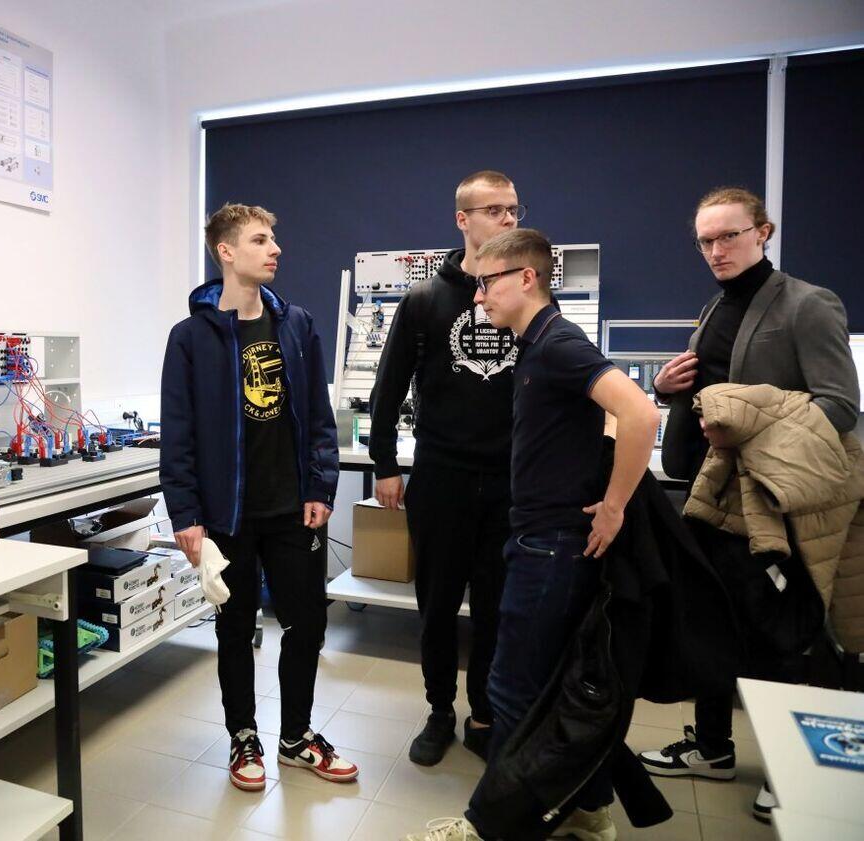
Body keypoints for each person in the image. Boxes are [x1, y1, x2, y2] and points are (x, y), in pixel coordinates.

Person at [405, 229, 661, 841]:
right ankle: (588, 811)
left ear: (526, 278)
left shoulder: (556, 344)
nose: (478, 298)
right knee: (555, 685)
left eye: (487, 284)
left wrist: (615, 506)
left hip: (549, 546)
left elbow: (640, 412)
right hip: (547, 540)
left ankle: (491, 828)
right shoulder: (539, 344)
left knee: (512, 690)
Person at [640, 187, 859, 822]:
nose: (716, 250)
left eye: (729, 236)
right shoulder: (716, 305)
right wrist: (665, 388)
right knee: (710, 626)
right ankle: (712, 748)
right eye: (706, 241)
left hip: (767, 503)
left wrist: (754, 430)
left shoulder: (808, 304)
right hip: (709, 494)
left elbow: (840, 405)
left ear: (763, 232)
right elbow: (712, 390)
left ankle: (788, 772)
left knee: (778, 638)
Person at [160, 202, 357, 792]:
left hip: (293, 509)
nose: (275, 249)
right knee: (235, 627)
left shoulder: (296, 324)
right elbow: (178, 433)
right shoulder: (190, 338)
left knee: (308, 624)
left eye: (273, 239)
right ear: (226, 251)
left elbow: (319, 417)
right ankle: (243, 736)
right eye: (260, 240)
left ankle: (295, 738)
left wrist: (321, 486)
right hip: (227, 514)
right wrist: (186, 513)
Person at [368, 170, 524, 764]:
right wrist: (385, 464)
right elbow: (387, 390)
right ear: (463, 219)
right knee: (436, 606)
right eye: (494, 210)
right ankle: (439, 712)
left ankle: (484, 714)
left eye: (514, 210)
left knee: (496, 607)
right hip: (441, 478)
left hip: (509, 482)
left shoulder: (527, 294)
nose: (507, 219)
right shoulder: (424, 301)